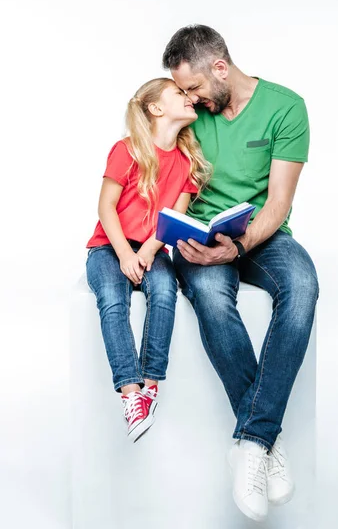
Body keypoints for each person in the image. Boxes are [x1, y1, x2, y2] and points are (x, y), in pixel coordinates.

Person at [162, 25, 319, 522]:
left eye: (193, 88)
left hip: (259, 234)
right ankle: (265, 439)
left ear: (221, 69)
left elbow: (278, 203)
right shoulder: (192, 114)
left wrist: (242, 245)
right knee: (210, 297)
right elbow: (171, 178)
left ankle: (251, 442)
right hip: (201, 237)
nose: (188, 100)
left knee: (303, 285)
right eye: (182, 92)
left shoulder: (286, 107)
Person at [86, 78, 212, 443]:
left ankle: (150, 384)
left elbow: (173, 218)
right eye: (179, 94)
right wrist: (125, 253)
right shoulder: (127, 150)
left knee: (164, 290)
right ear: (156, 109)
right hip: (108, 246)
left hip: (152, 247)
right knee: (112, 298)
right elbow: (105, 207)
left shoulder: (187, 160)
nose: (190, 99)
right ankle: (130, 394)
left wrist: (145, 252)